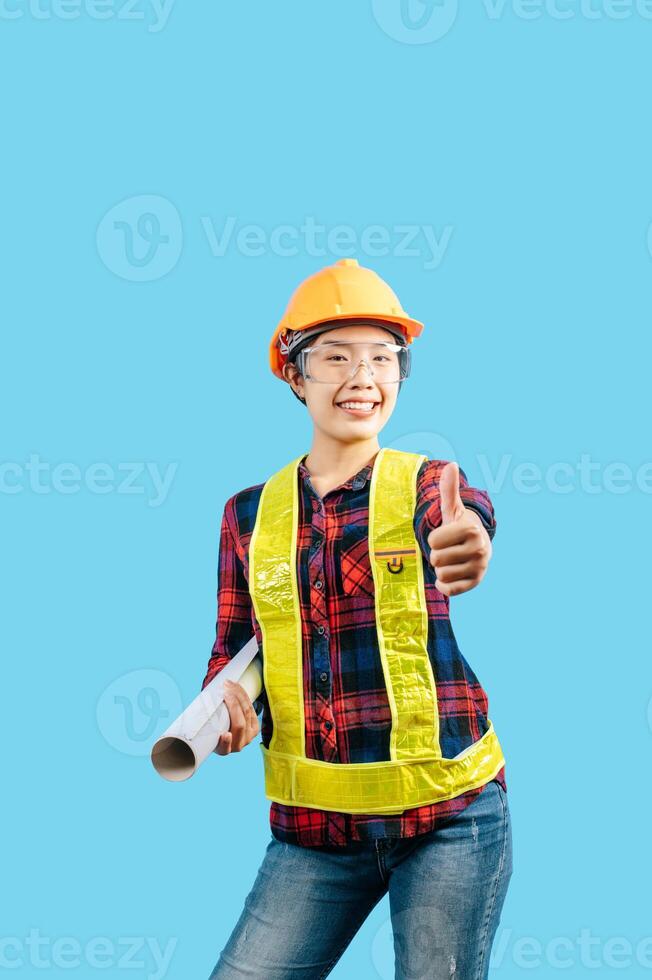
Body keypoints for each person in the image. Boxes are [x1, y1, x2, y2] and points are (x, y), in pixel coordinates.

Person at [202, 259, 513, 979]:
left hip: (451, 821)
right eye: (335, 356)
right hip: (315, 834)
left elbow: (467, 517)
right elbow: (235, 648)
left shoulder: (430, 484)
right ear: (294, 375)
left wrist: (472, 542)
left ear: (401, 375)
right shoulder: (246, 515)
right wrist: (226, 702)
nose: (362, 376)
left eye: (382, 357)